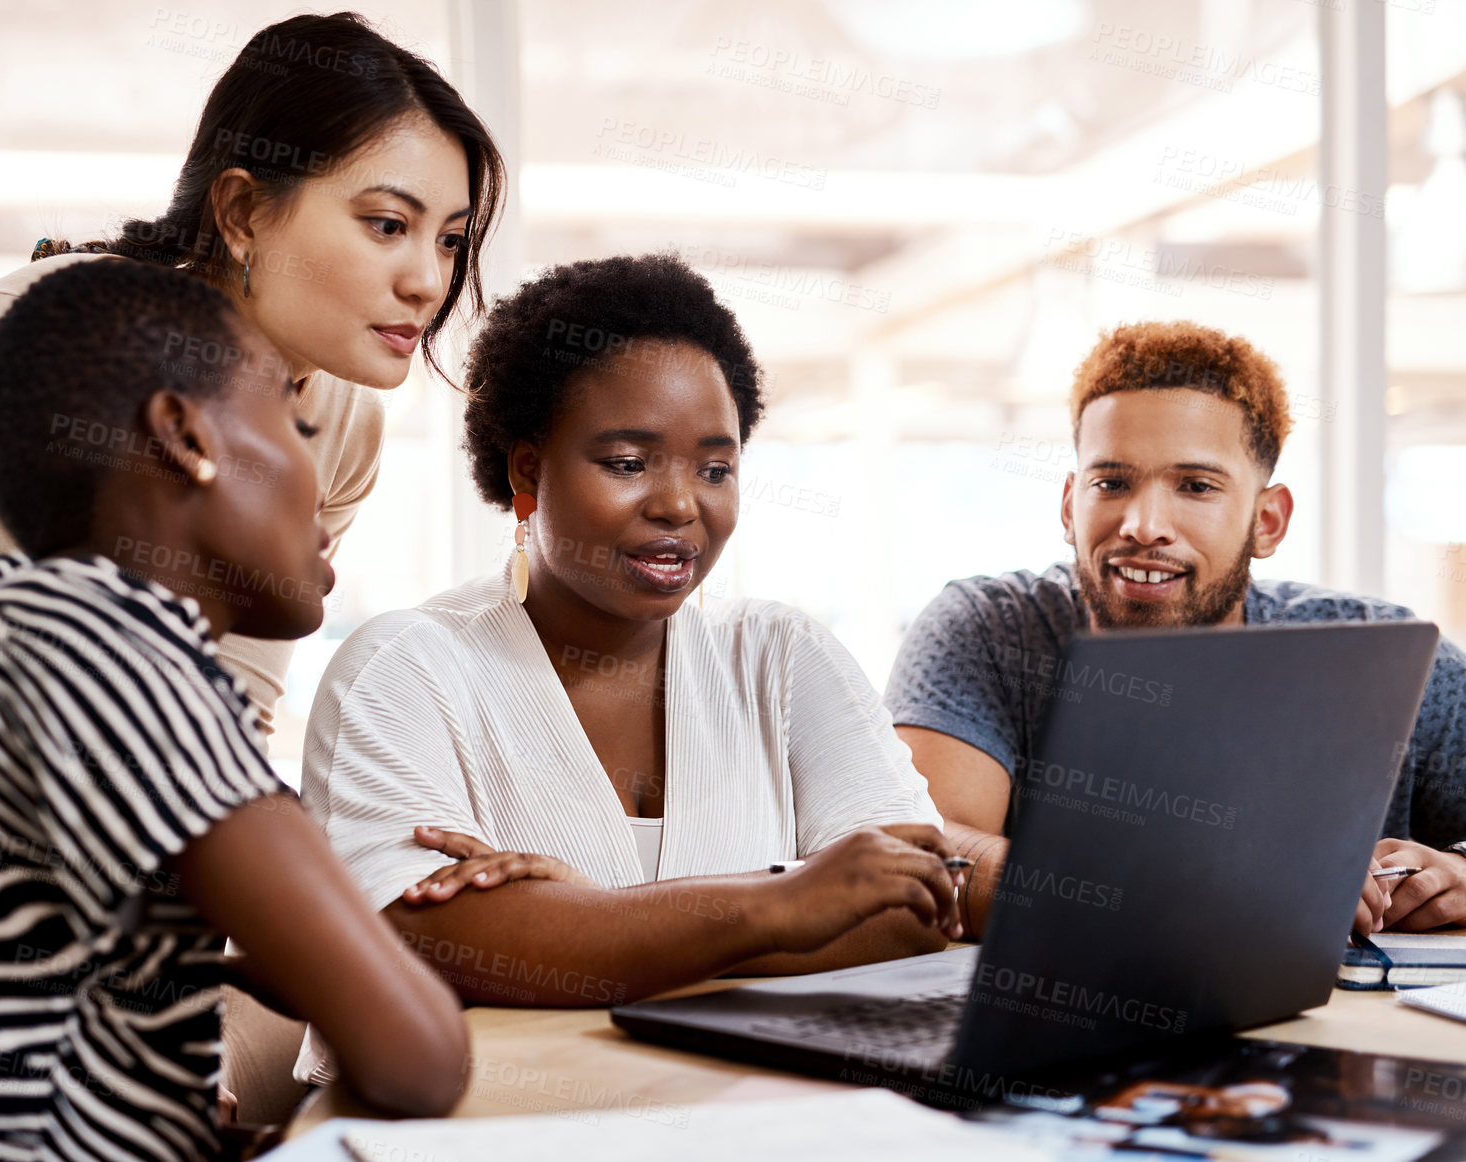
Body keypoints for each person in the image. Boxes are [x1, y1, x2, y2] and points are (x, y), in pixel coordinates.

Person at [0, 10, 505, 937]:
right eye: (388, 224)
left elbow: (232, 702)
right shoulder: (22, 344)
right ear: (239, 212)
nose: (428, 283)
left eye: (448, 239)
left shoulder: (344, 415)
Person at [0, 259, 469, 1162]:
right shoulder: (125, 662)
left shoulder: (4, 630)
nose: (321, 481)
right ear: (183, 436)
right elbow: (421, 1059)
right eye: (292, 423)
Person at [290, 254, 963, 1079]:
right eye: (628, 462)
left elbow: (915, 905)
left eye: (716, 468)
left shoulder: (785, 657)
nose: (681, 504)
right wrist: (790, 904)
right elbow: (421, 944)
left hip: (750, 1129)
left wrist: (587, 925)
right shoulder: (405, 668)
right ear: (528, 470)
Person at [883, 320, 1466, 936]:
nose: (1144, 524)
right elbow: (930, 850)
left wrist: (1457, 876)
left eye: (1195, 486)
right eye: (1111, 482)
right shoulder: (987, 631)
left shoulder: (1395, 663)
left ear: (1267, 521)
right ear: (1068, 506)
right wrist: (1195, 889)